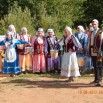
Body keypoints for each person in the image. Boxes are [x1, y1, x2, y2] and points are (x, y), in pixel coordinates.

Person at [88, 19, 103, 86]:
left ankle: (100, 80)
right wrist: (88, 50)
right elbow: (90, 42)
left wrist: (100, 52)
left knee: (99, 65)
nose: (93, 25)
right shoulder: (92, 32)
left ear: (98, 24)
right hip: (92, 51)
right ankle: (96, 79)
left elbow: (102, 43)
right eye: (93, 24)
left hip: (98, 51)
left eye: (95, 24)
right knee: (95, 65)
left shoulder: (101, 32)